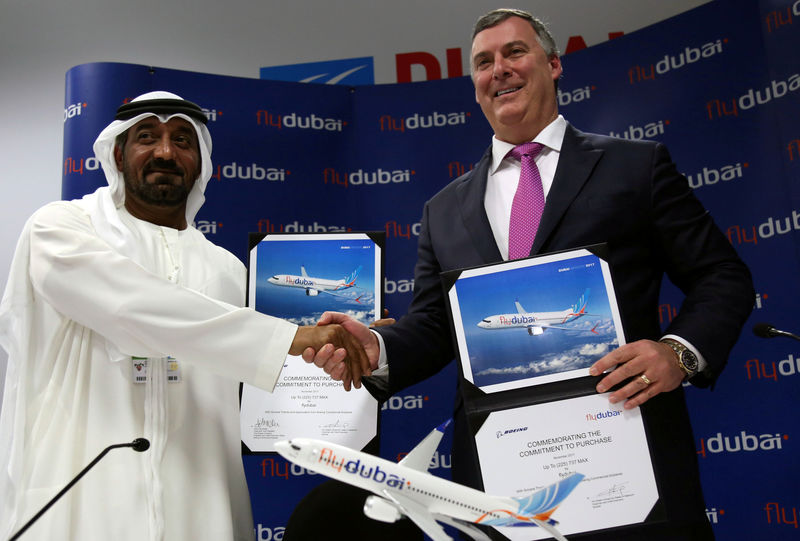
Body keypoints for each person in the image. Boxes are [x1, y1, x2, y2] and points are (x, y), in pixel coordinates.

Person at [305, 8, 754, 540]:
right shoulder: (443, 209)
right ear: (474, 85)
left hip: (629, 466)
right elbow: (432, 326)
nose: (500, 69)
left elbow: (722, 276)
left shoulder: (636, 167)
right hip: (503, 483)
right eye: (484, 62)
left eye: (515, 52)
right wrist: (378, 348)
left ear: (553, 64)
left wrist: (678, 351)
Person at [0, 91, 368, 541]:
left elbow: (262, 374)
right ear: (118, 152)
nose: (165, 151)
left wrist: (351, 345)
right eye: (147, 137)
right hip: (82, 498)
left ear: (201, 161)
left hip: (199, 506)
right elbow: (131, 307)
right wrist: (292, 338)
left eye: (182, 139)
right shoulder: (60, 228)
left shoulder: (227, 270)